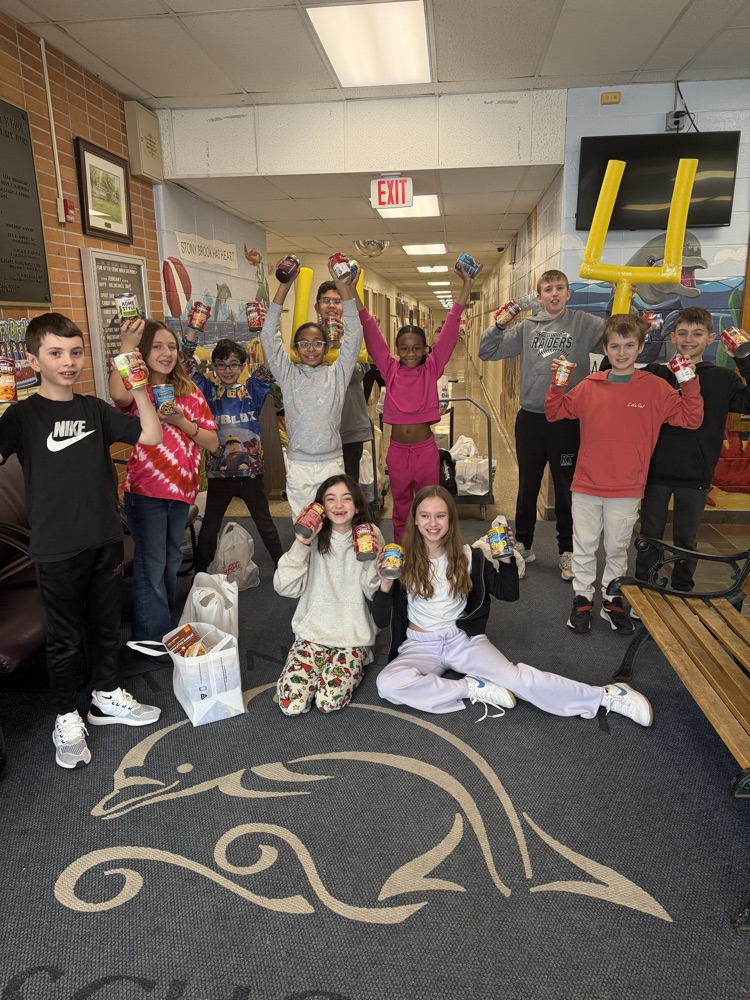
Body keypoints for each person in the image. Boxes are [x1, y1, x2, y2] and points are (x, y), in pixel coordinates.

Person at [0, 313, 164, 769]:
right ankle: (66, 715)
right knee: (65, 638)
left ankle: (106, 695)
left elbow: (151, 434)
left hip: (104, 537)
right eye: (55, 353)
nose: (68, 362)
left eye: (75, 352)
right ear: (33, 360)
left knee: (107, 626)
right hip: (56, 548)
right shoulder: (21, 416)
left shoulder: (93, 408)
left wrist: (137, 382)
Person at [373, 486, 652, 726]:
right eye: (425, 515)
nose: (432, 523)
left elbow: (508, 594)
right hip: (420, 645)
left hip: (461, 640)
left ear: (451, 519)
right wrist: (385, 585)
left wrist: (506, 559)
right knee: (387, 684)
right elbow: (381, 619)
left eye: (440, 515)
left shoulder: (470, 557)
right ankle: (471, 687)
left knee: (516, 678)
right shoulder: (400, 560)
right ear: (415, 520)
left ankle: (607, 695)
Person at [545, 314, 704, 635]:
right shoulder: (590, 385)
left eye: (629, 345)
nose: (621, 352)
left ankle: (612, 599)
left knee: (618, 549)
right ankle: (582, 598)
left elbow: (691, 418)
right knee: (584, 546)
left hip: (627, 487)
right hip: (587, 484)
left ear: (640, 347)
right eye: (615, 346)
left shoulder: (655, 388)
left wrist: (688, 380)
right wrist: (558, 382)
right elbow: (555, 411)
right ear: (605, 348)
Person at [478, 270, 611, 581]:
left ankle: (568, 550)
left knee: (566, 488)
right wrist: (499, 325)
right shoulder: (527, 327)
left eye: (559, 288)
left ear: (568, 294)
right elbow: (487, 351)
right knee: (527, 485)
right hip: (531, 419)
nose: (554, 293)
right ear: (539, 297)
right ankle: (523, 544)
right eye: (548, 289)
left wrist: (621, 298)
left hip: (567, 419)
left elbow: (617, 335)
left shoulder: (583, 323)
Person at [109, 319, 218, 644]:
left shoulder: (189, 391)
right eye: (157, 346)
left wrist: (180, 421)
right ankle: (150, 638)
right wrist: (127, 344)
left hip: (182, 492)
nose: (167, 352)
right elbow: (117, 393)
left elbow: (213, 443)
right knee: (152, 564)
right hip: (147, 491)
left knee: (170, 562)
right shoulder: (137, 388)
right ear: (144, 352)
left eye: (171, 346)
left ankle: (160, 627)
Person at [633, 309, 750, 596]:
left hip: (696, 474)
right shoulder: (657, 373)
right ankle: (645, 587)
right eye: (682, 333)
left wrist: (744, 359)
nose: (689, 339)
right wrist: (638, 333)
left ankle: (683, 589)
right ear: (672, 337)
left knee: (686, 541)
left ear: (711, 338)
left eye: (697, 334)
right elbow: (611, 373)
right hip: (656, 472)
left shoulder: (722, 378)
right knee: (649, 537)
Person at [356, 262, 475, 543]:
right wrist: (352, 293)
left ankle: (430, 550)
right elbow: (371, 332)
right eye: (404, 348)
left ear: (425, 350)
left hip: (424, 452)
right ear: (397, 350)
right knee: (401, 508)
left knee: (429, 507)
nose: (410, 353)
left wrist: (467, 287)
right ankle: (402, 551)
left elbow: (449, 331)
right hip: (398, 452)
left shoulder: (431, 369)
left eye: (417, 348)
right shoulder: (389, 370)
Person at [260, 262, 363, 518]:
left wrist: (343, 288)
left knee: (336, 526)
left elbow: (355, 334)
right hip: (299, 466)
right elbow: (268, 336)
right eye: (304, 343)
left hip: (332, 464)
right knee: (304, 529)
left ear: (326, 347)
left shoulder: (337, 374)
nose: (311, 349)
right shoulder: (288, 375)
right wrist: (285, 286)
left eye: (318, 343)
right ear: (295, 349)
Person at [273, 474, 383, 715]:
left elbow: (373, 591)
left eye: (346, 498)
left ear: (357, 506)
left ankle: (355, 661)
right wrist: (301, 543)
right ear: (322, 506)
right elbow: (285, 587)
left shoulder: (369, 533)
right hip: (312, 634)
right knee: (292, 705)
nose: (339, 505)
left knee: (328, 701)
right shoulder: (312, 535)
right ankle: (307, 666)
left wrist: (373, 558)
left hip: (352, 637)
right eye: (331, 499)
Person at [181, 333, 283, 573]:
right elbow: (183, 361)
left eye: (234, 364)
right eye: (222, 365)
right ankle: (199, 576)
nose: (228, 370)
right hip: (219, 475)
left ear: (243, 366)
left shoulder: (252, 390)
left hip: (251, 474)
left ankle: (284, 568)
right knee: (210, 527)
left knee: (265, 523)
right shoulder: (207, 391)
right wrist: (193, 331)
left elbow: (270, 366)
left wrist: (265, 334)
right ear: (214, 367)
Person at [314, 279, 373, 483]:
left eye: (337, 301)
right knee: (321, 486)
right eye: (326, 301)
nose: (331, 305)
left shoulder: (354, 333)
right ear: (317, 307)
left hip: (349, 425)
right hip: (319, 427)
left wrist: (338, 344)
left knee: (348, 485)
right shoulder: (309, 337)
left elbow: (358, 373)